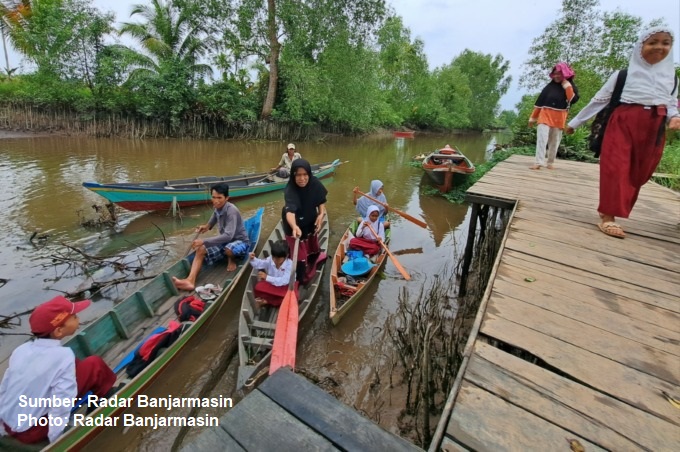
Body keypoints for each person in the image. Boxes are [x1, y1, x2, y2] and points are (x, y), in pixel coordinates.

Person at [565, 26, 680, 238]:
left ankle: (614, 207)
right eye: (652, 42)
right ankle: (608, 216)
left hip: (653, 127)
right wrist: (575, 123)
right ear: (640, 46)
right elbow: (598, 101)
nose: (659, 47)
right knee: (616, 167)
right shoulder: (622, 76)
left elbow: (672, 102)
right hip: (623, 122)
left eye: (665, 43)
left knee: (640, 172)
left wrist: (674, 117)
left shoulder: (672, 78)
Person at [0, 296, 116, 445]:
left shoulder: (21, 350)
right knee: (95, 364)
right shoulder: (63, 355)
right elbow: (62, 400)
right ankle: (103, 402)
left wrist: (2, 427)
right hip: (34, 431)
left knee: (74, 364)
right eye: (74, 317)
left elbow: (4, 388)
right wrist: (57, 438)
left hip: (9, 426)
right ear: (59, 331)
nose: (78, 318)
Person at [172, 183, 249, 290]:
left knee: (228, 249)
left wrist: (204, 241)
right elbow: (211, 223)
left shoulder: (231, 211)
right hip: (226, 241)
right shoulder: (217, 207)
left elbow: (228, 236)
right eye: (213, 197)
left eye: (219, 198)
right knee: (201, 249)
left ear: (227, 198)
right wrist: (205, 227)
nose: (216, 201)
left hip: (239, 241)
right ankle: (190, 280)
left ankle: (232, 259)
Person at [282, 159, 327, 284]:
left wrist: (321, 214)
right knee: (299, 258)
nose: (302, 178)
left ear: (309, 174)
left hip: (310, 219)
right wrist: (294, 226)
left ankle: (311, 262)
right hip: (294, 224)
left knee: (311, 246)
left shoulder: (315, 183)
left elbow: (321, 200)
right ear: (293, 175)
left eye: (305, 174)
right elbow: (290, 212)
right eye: (298, 175)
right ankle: (299, 280)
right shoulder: (290, 189)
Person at [528, 62, 577, 170]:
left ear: (564, 74)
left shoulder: (569, 86)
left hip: (559, 117)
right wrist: (532, 118)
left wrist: (567, 86)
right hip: (545, 115)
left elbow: (572, 99)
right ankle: (538, 162)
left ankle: (550, 162)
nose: (556, 76)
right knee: (542, 138)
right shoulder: (548, 87)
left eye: (559, 73)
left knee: (554, 141)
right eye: (555, 73)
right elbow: (540, 103)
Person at [248, 240, 294, 308]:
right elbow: (260, 264)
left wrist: (267, 277)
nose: (275, 260)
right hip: (272, 285)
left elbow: (284, 281)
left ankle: (267, 301)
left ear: (286, 256)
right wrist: (253, 259)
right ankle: (272, 300)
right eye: (273, 257)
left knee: (290, 297)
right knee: (258, 287)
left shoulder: (290, 264)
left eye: (278, 258)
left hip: (285, 287)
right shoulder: (270, 259)